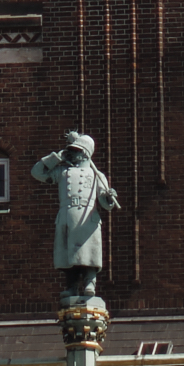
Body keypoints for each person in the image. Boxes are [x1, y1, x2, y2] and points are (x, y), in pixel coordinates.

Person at [39, 125, 116, 303]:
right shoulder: (62, 172)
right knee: (68, 256)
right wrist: (56, 157)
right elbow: (37, 172)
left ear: (86, 153)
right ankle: (71, 286)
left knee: (89, 253)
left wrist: (109, 197)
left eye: (76, 151)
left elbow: (106, 204)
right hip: (67, 216)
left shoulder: (97, 175)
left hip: (88, 217)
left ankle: (90, 284)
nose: (72, 154)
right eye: (71, 151)